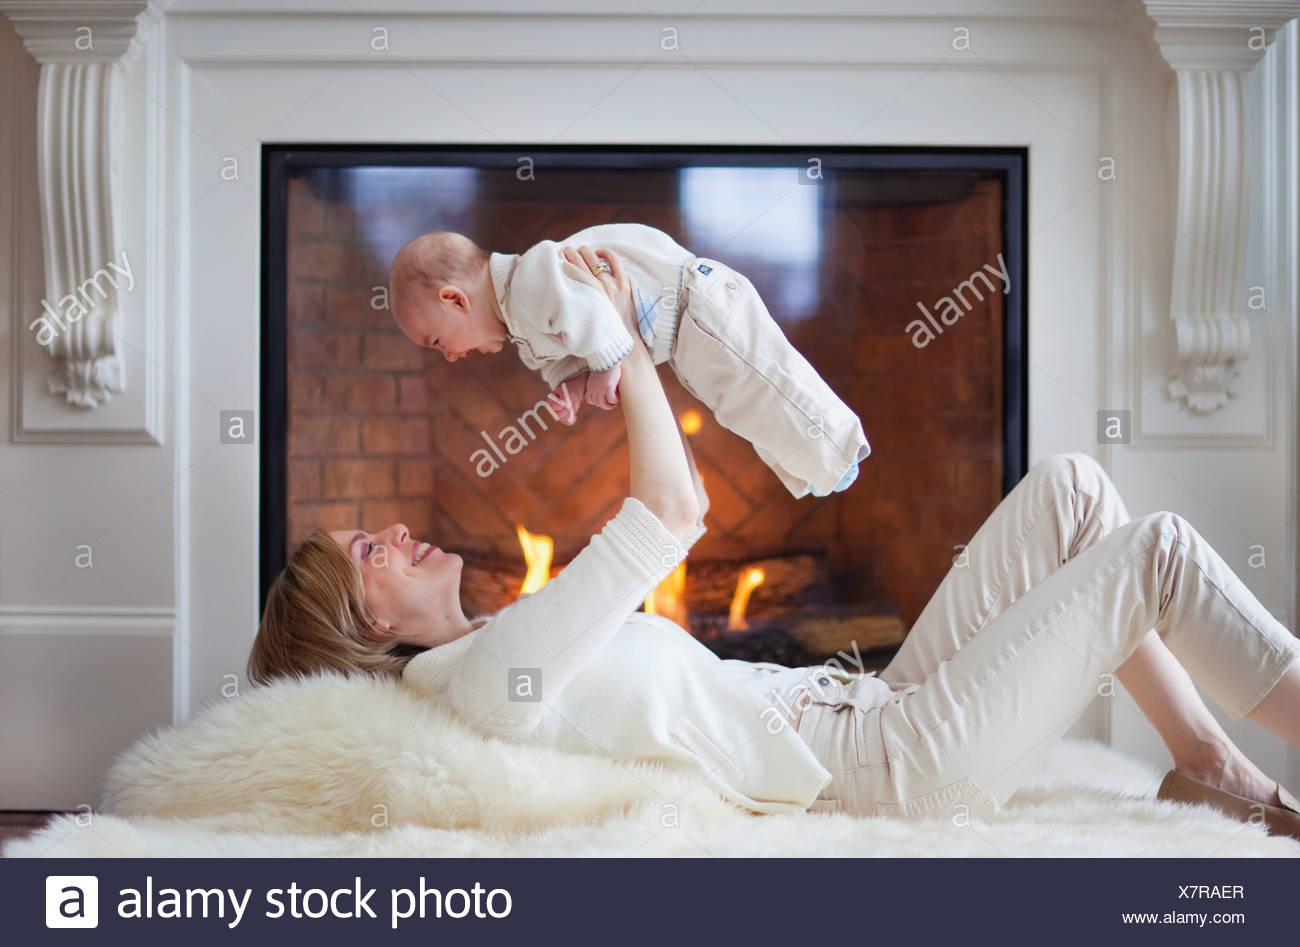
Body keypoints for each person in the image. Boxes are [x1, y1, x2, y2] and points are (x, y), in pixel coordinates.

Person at [251, 245, 1300, 837]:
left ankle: (1205, 760)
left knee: (1074, 489)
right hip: (889, 765)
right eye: (367, 551)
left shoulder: (506, 641)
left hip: (873, 706)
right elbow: (671, 513)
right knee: (1153, 549)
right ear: (369, 622)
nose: (394, 528)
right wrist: (626, 336)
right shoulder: (484, 683)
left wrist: (598, 359)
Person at [386, 223, 870, 499]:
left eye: (436, 341)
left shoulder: (531, 277)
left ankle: (838, 452)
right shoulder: (519, 322)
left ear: (454, 299)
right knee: (742, 407)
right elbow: (572, 351)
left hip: (696, 302)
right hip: (683, 338)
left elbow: (597, 312)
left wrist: (606, 366)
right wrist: (573, 389)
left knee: (765, 381)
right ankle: (818, 469)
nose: (449, 356)